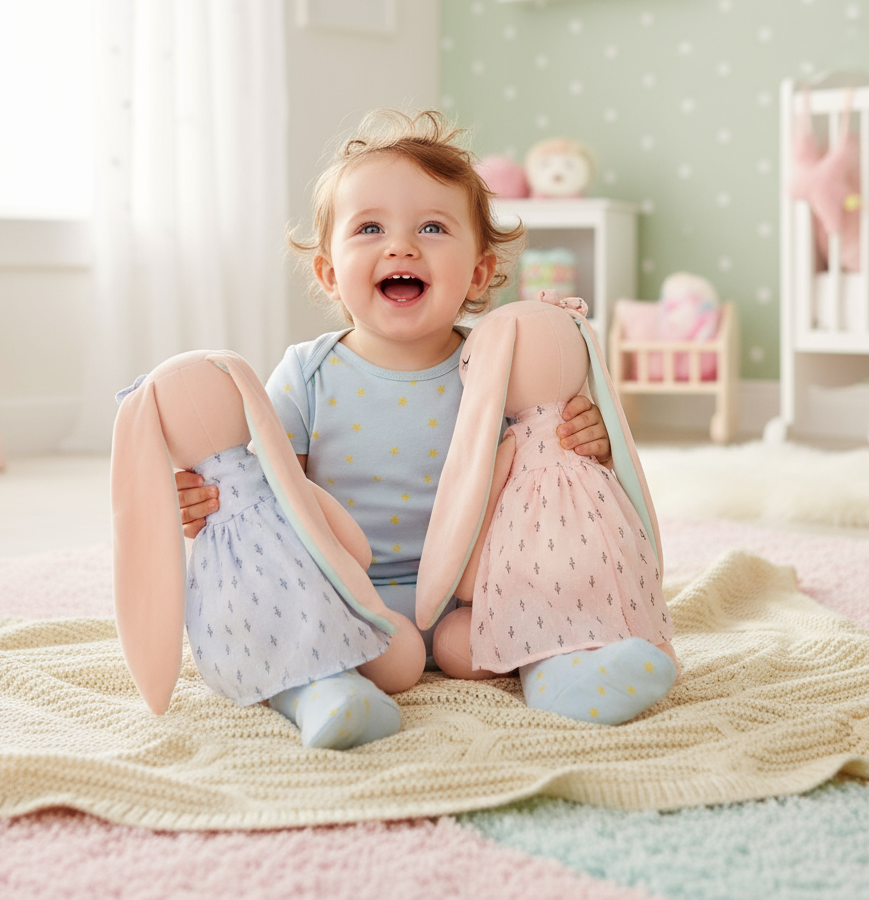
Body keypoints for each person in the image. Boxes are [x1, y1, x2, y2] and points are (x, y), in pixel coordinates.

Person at [176, 109, 611, 667]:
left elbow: (546, 471)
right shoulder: (306, 374)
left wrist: (588, 441)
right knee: (288, 626)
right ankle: (324, 691)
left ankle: (570, 669)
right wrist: (207, 501)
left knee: (563, 598)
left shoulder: (501, 364)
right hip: (345, 588)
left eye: (432, 228)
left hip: (478, 587)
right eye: (370, 229)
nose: (401, 247)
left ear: (479, 273)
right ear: (329, 272)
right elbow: (264, 493)